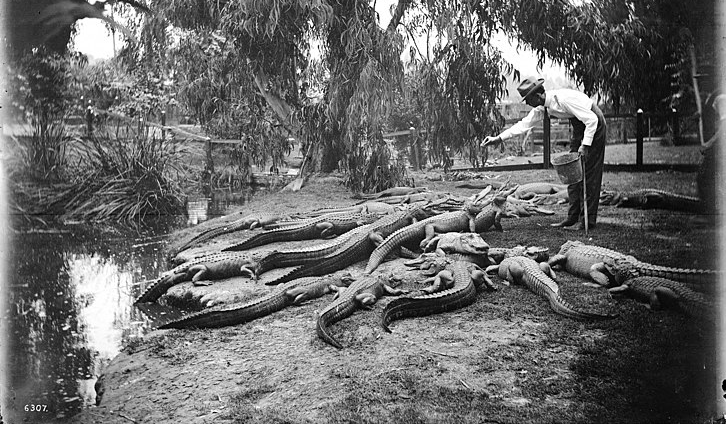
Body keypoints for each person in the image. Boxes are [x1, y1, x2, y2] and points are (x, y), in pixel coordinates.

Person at [481, 76, 607, 230]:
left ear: (538, 95)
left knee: (589, 174)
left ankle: (588, 220)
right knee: (572, 172)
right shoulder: (543, 107)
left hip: (594, 124)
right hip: (580, 126)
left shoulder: (562, 100)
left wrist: (586, 145)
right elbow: (523, 125)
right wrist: (498, 138)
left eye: (528, 99)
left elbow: (592, 120)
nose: (527, 103)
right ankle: (572, 217)